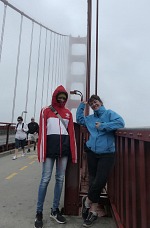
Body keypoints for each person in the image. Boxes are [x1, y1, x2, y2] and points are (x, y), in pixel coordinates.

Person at [76, 95, 125, 227]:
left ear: (100, 102)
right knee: (93, 180)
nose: (94, 105)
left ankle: (88, 200)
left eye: (95, 102)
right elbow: (79, 119)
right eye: (91, 104)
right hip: (92, 152)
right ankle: (93, 211)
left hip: (107, 153)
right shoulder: (90, 118)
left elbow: (120, 123)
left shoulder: (109, 113)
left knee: (101, 179)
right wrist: (82, 105)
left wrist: (103, 125)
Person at [34, 85, 77, 228]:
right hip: (49, 151)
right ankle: (39, 212)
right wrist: (42, 151)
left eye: (64, 97)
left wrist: (73, 152)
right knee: (45, 179)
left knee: (60, 179)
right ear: (55, 96)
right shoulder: (45, 110)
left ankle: (54, 210)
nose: (62, 98)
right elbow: (42, 132)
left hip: (63, 151)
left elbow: (71, 134)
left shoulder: (68, 114)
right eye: (60, 96)